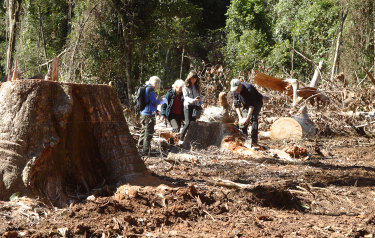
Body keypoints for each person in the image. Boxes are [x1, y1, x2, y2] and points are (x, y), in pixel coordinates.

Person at [230, 78, 263, 147]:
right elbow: (237, 105)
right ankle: (244, 139)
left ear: (240, 85)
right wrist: (240, 117)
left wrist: (247, 118)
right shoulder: (234, 91)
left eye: (237, 88)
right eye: (235, 89)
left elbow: (252, 105)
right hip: (246, 104)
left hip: (256, 103)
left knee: (253, 118)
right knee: (242, 124)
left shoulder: (249, 89)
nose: (236, 90)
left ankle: (254, 141)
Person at [138, 76, 166, 154]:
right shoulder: (151, 90)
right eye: (158, 84)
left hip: (143, 113)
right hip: (149, 114)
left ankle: (140, 146)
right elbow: (154, 102)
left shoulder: (145, 88)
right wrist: (160, 100)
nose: (158, 86)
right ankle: (146, 150)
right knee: (149, 132)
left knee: (143, 130)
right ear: (156, 83)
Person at [178, 71, 204, 145]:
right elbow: (185, 97)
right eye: (192, 78)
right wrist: (193, 100)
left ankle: (191, 140)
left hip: (196, 107)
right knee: (188, 123)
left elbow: (200, 98)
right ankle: (181, 139)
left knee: (193, 123)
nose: (194, 80)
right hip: (187, 106)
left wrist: (201, 104)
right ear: (189, 78)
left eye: (195, 78)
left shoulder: (197, 87)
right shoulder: (185, 87)